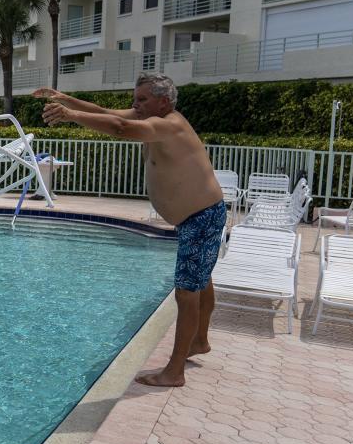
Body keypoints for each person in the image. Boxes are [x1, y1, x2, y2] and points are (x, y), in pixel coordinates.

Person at [35, 74, 225, 388]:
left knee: (186, 292)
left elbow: (121, 129)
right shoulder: (150, 117)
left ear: (163, 102)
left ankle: (174, 371)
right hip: (197, 215)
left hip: (201, 216)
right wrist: (65, 99)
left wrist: (70, 116)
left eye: (142, 100)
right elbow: (106, 113)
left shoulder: (169, 124)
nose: (135, 106)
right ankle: (199, 340)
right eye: (134, 99)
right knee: (201, 281)